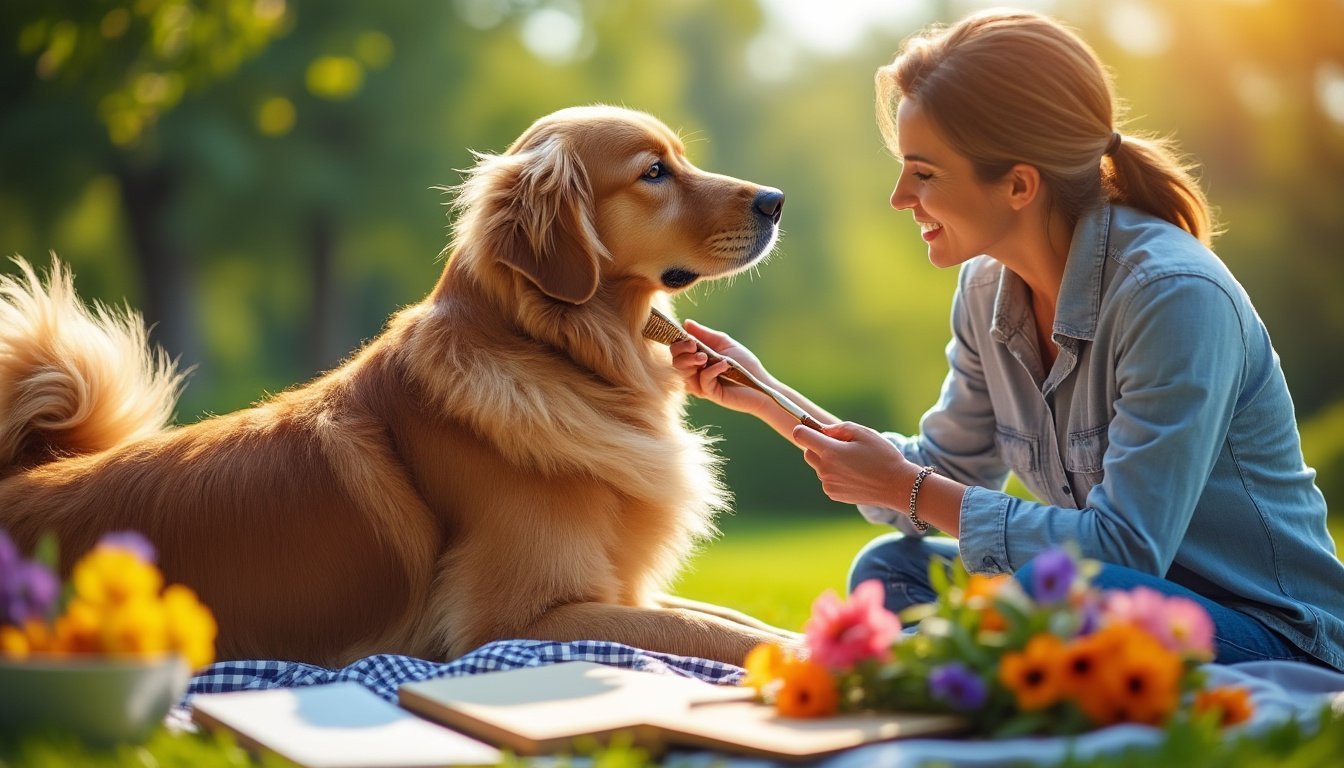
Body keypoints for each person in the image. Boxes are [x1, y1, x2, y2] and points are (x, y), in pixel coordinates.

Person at [670, 8, 1344, 671]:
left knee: (1057, 595)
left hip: (1271, 634)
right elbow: (947, 469)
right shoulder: (988, 289)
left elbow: (1123, 552)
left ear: (1020, 183)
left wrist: (909, 487)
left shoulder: (1172, 297)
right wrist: (764, 395)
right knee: (892, 573)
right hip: (1100, 604)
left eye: (924, 173)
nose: (900, 197)